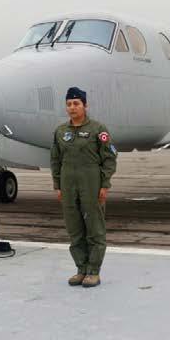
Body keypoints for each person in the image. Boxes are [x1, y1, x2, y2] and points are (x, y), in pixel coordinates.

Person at [50, 87, 117, 288]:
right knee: (75, 230)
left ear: (85, 106)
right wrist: (58, 185)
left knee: (95, 230)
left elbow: (109, 158)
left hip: (91, 186)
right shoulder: (61, 132)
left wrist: (104, 185)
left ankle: (93, 271)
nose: (72, 107)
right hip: (68, 187)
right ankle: (81, 269)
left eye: (76, 103)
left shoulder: (98, 129)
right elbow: (55, 160)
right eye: (69, 104)